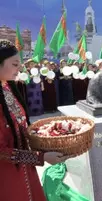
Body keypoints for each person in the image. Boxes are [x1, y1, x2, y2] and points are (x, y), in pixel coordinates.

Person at [0, 39, 73, 201]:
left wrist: (44, 142)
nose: (20, 67)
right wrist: (40, 157)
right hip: (7, 176)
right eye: (15, 64)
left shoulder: (7, 86)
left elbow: (21, 126)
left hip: (26, 169)